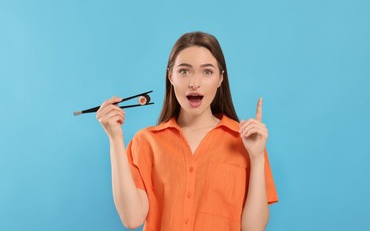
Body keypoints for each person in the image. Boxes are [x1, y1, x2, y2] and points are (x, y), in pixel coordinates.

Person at [96, 31, 278, 231]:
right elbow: (132, 219)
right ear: (170, 76)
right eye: (184, 71)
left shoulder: (246, 141)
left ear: (220, 79)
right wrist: (115, 138)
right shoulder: (146, 142)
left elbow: (254, 229)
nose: (194, 82)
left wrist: (257, 157)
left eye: (207, 71)